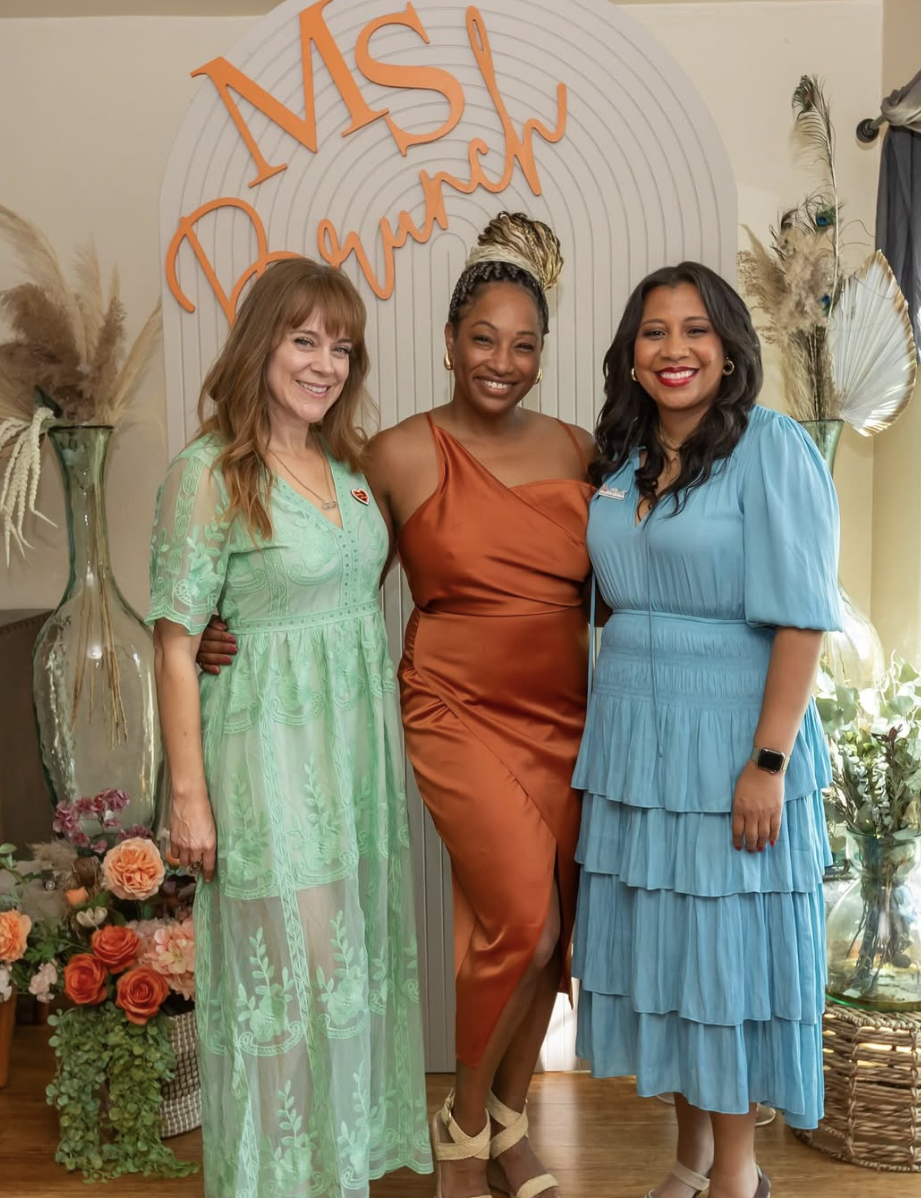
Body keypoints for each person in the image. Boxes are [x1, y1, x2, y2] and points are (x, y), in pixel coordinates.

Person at [199, 214, 595, 1198]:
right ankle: (461, 1127)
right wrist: (217, 624)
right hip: (451, 705)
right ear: (449, 340)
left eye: (523, 344)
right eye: (481, 339)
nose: (500, 361)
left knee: (555, 934)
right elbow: (309, 551)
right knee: (522, 919)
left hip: (567, 714)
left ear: (542, 353)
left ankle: (509, 1125)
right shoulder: (393, 454)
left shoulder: (585, 448)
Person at [148, 258, 431, 1198]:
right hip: (266, 755)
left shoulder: (350, 470)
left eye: (340, 346)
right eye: (303, 339)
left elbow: (348, 600)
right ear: (259, 342)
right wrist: (189, 798)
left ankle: (336, 1177)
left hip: (353, 761)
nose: (323, 363)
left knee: (348, 972)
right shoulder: (208, 471)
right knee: (292, 983)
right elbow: (179, 641)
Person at [572, 262, 841, 1198]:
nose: (674, 348)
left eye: (695, 330)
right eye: (654, 331)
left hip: (729, 736)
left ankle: (739, 1176)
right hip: (635, 743)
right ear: (632, 355)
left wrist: (768, 762)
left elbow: (804, 616)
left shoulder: (772, 448)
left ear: (729, 350)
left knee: (721, 958)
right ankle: (689, 1164)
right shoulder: (621, 458)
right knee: (674, 952)